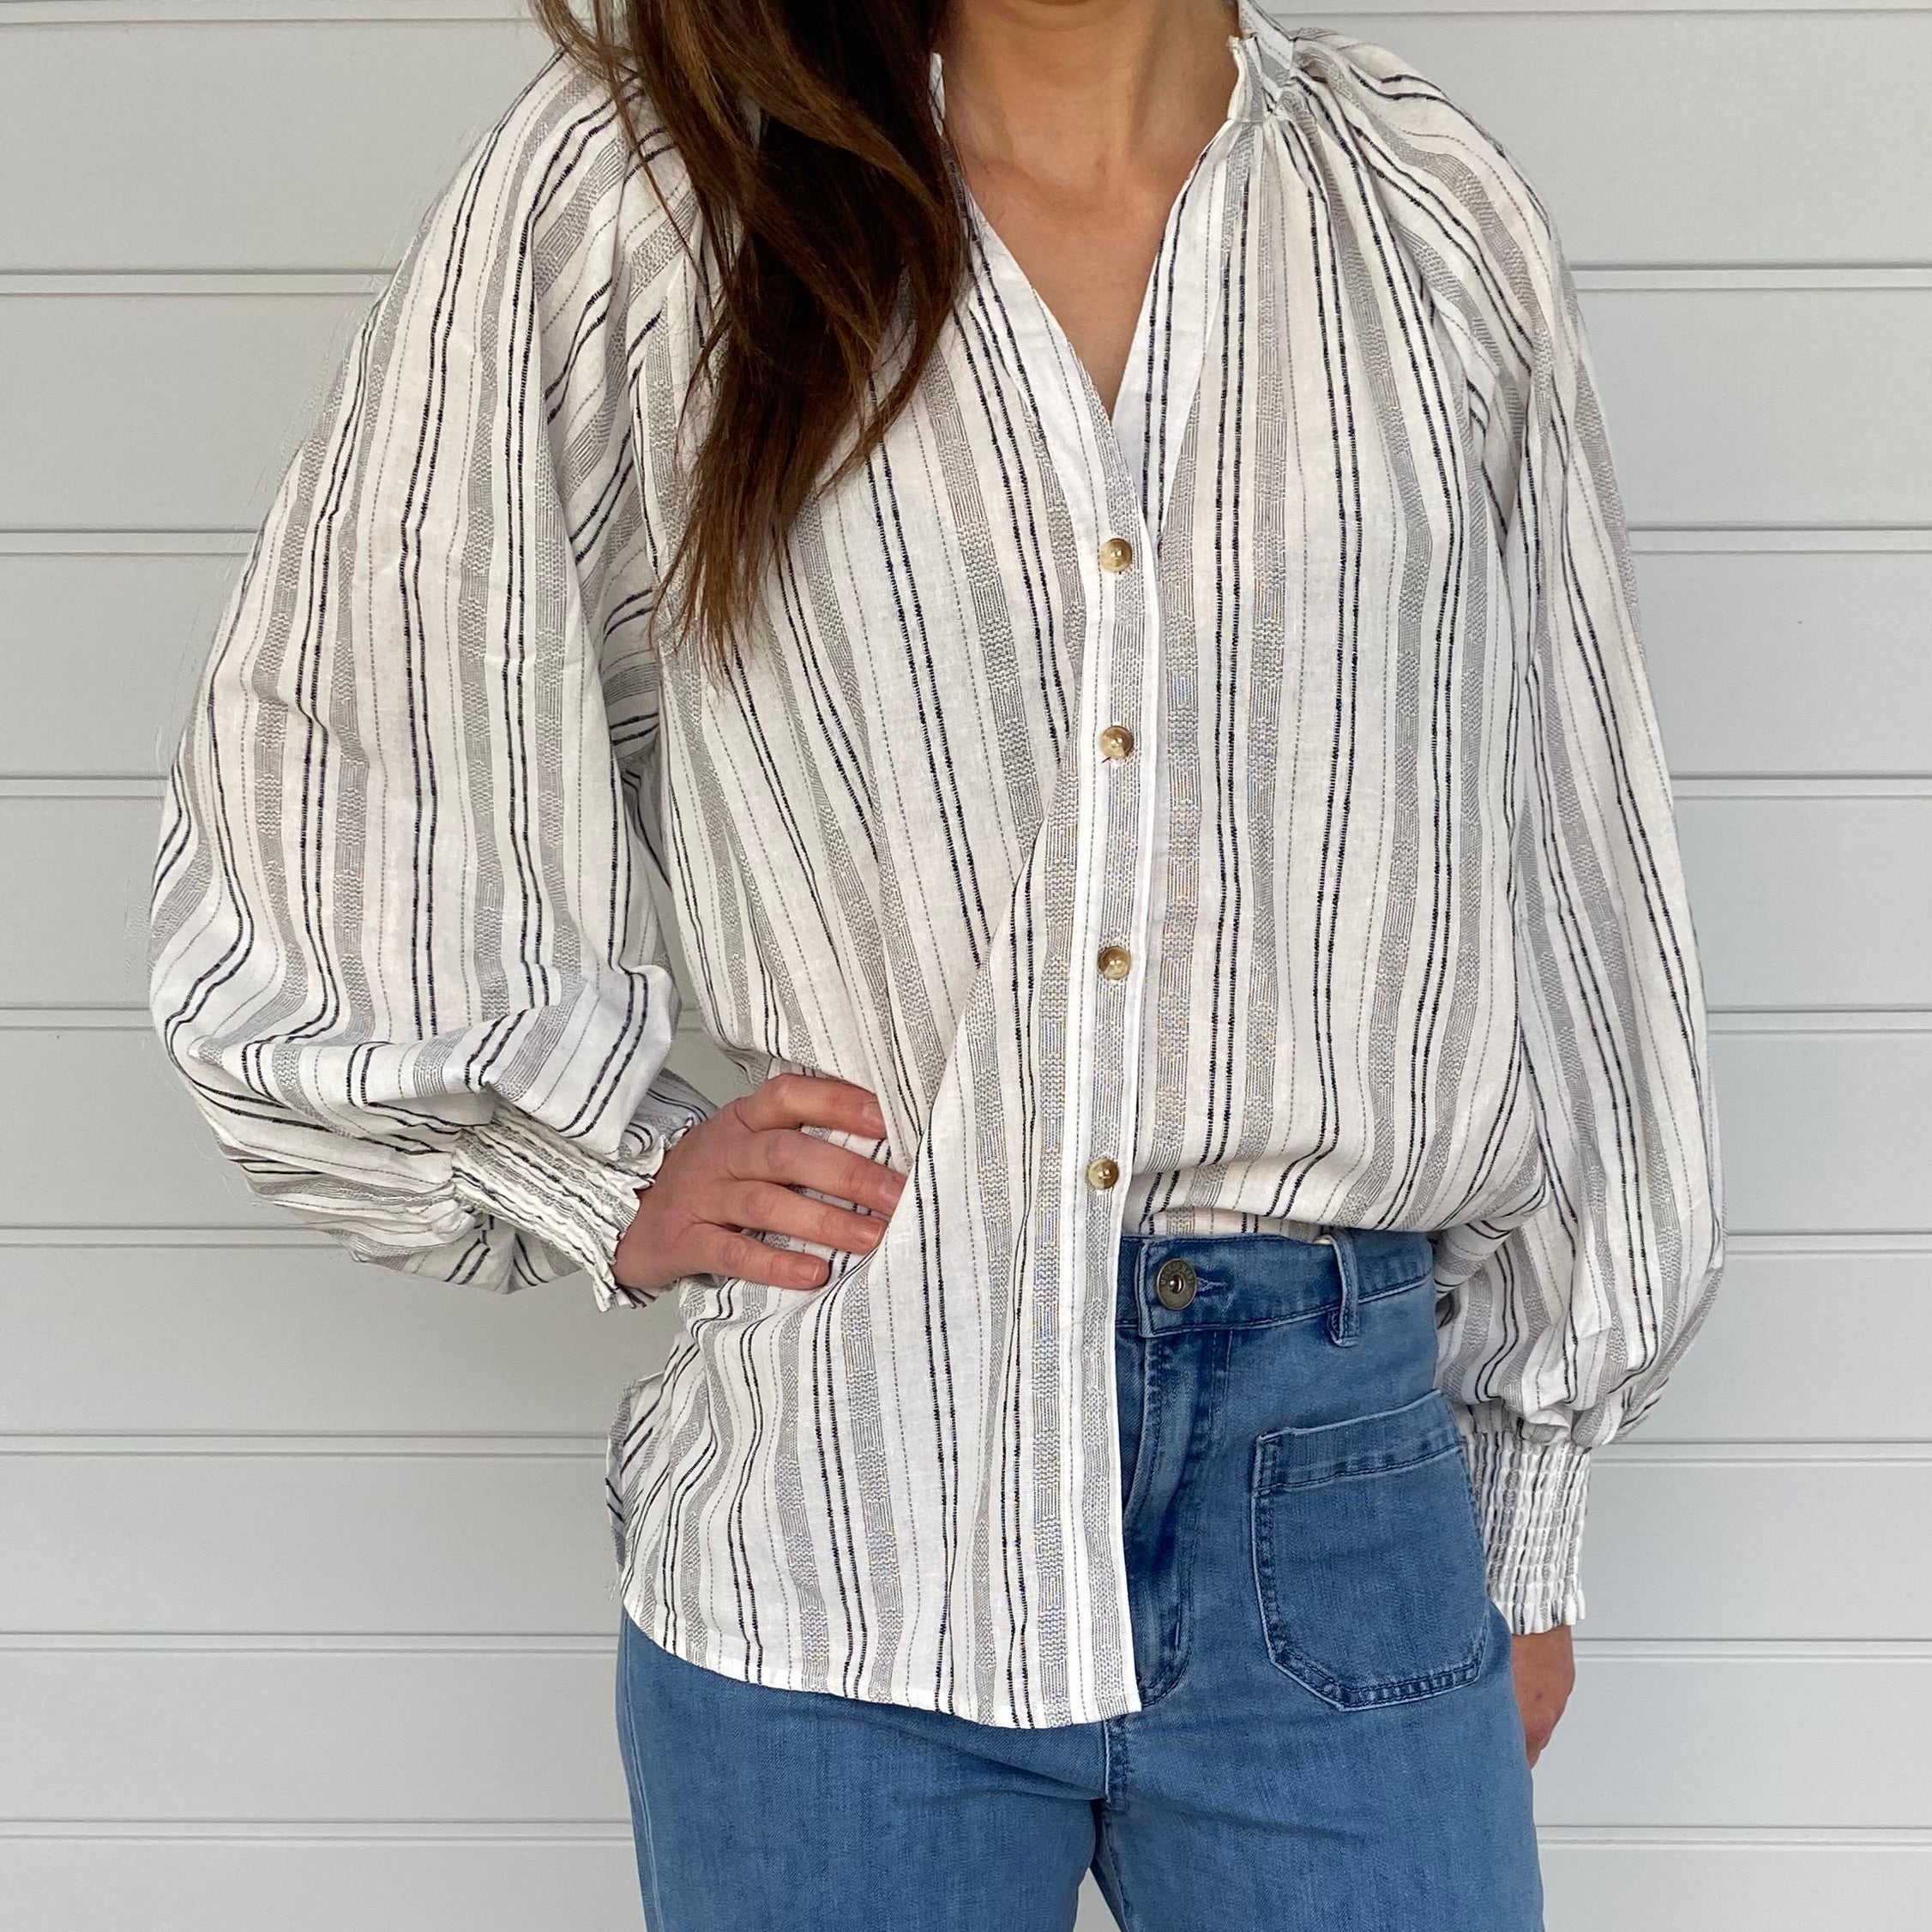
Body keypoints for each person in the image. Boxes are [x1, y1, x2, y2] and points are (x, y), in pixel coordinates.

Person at [147, 0, 1726, 1924]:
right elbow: (355, 744)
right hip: (845, 1490)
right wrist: (592, 1162)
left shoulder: (1421, 222)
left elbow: (1560, 861)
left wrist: (1526, 1502)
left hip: (1340, 1497)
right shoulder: (660, 198)